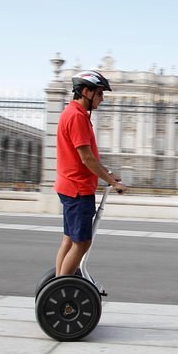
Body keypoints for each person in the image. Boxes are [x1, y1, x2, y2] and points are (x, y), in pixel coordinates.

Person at [54, 70, 127, 276]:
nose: (102, 99)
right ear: (86, 92)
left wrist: (106, 174)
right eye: (100, 93)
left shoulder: (72, 113)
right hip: (78, 189)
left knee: (69, 239)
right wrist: (112, 182)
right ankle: (62, 290)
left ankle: (58, 284)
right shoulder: (77, 117)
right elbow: (87, 159)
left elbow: (85, 158)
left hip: (69, 186)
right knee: (82, 243)